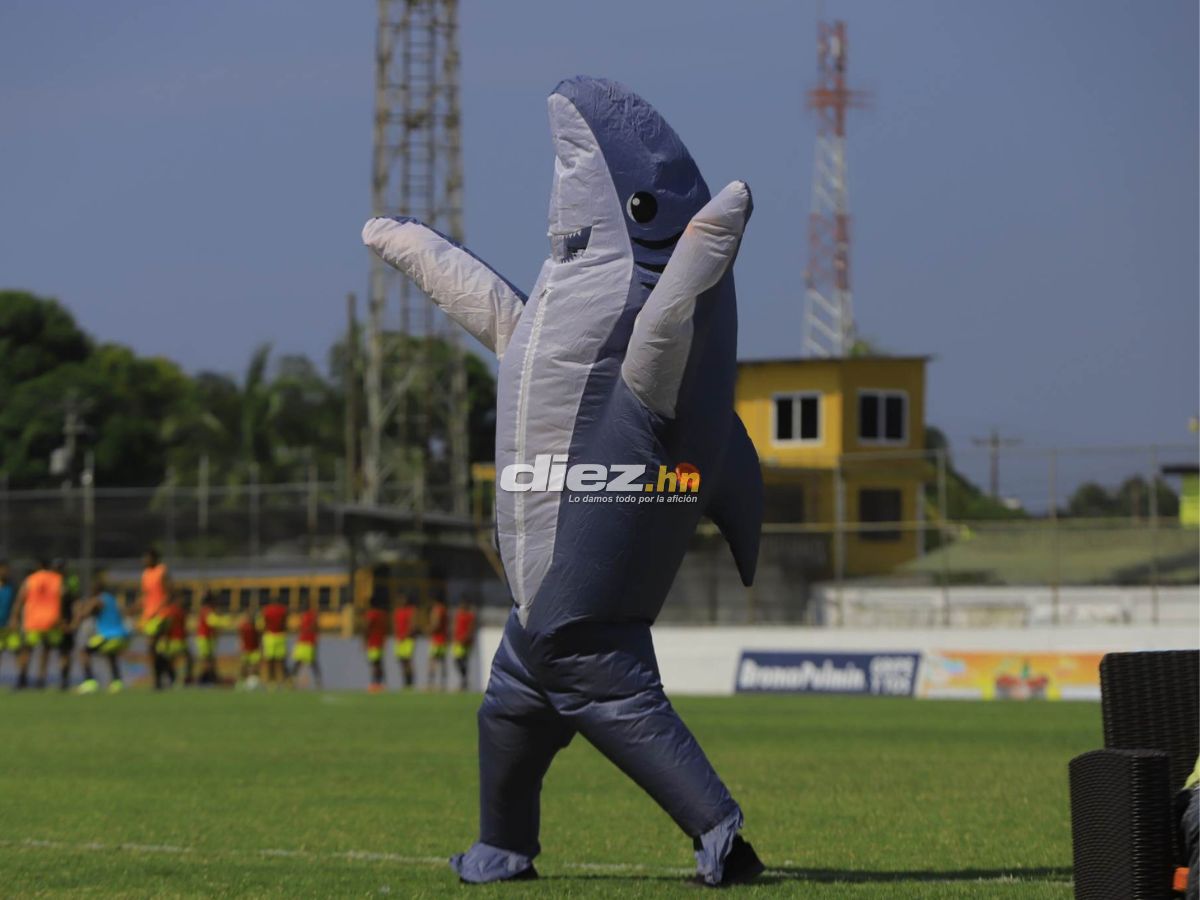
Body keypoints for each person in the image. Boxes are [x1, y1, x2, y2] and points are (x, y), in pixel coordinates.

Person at [71, 570, 130, 694]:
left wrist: (76, 617)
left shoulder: (97, 600)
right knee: (110, 654)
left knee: (83, 652)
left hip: (108, 636)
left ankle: (90, 681)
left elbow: (84, 614)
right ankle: (117, 682)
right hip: (123, 635)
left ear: (95, 590)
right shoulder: (112, 599)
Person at [13, 557, 64, 690]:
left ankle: (22, 678)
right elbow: (62, 598)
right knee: (45, 651)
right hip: (52, 620)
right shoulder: (57, 579)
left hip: (33, 620)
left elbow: (20, 598)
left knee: (27, 650)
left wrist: (15, 617)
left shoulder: (31, 579)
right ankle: (41, 679)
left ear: (37, 566)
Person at [132, 549, 171, 689]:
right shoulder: (145, 574)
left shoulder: (162, 571)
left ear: (154, 558)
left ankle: (157, 679)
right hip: (148, 615)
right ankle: (166, 671)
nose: (145, 561)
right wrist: (134, 608)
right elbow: (145, 595)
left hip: (160, 615)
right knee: (154, 649)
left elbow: (168, 593)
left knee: (151, 645)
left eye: (147, 558)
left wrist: (159, 609)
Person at [53, 559, 80, 691]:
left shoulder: (71, 582)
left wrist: (74, 621)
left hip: (66, 621)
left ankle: (64, 679)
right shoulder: (52, 582)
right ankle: (39, 680)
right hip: (53, 622)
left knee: (65, 651)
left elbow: (75, 602)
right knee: (49, 650)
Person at [158, 594, 193, 688]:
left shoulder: (170, 611)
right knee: (181, 660)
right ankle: (180, 680)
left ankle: (174, 680)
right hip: (179, 639)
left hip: (173, 640)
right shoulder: (180, 611)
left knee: (173, 661)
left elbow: (166, 625)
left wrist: (164, 637)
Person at [364, 567, 389, 693]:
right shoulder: (382, 614)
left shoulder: (371, 614)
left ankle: (374, 683)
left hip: (373, 642)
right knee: (379, 662)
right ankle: (382, 682)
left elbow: (367, 627)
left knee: (374, 663)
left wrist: (364, 639)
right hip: (381, 641)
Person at [194, 592, 228, 685]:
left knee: (209, 659)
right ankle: (205, 678)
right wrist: (225, 621)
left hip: (207, 637)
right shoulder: (207, 610)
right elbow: (212, 622)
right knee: (206, 659)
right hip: (204, 638)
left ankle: (210, 677)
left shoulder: (206, 610)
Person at [260, 596, 289, 689]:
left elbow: (263, 624)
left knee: (269, 661)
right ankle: (281, 681)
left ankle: (269, 681)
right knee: (280, 661)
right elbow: (285, 623)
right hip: (280, 636)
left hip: (269, 637)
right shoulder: (283, 610)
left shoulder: (266, 610)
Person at [291, 603, 321, 689]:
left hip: (307, 642)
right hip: (305, 642)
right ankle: (292, 679)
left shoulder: (310, 616)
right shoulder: (307, 616)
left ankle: (317, 680)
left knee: (309, 662)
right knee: (302, 662)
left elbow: (313, 627)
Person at [451, 598, 478, 692]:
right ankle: (464, 681)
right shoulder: (458, 613)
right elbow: (456, 626)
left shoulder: (470, 615)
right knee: (458, 661)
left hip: (465, 642)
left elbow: (471, 628)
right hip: (458, 641)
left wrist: (466, 638)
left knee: (463, 660)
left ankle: (464, 682)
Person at [392, 591, 417, 690]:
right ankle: (405, 682)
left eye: (403, 598)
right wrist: (397, 636)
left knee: (407, 660)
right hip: (399, 639)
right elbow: (395, 625)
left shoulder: (411, 610)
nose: (401, 601)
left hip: (407, 639)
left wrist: (406, 635)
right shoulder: (397, 611)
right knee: (402, 661)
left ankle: (410, 682)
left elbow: (413, 624)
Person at [426, 593, 449, 691]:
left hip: (437, 639)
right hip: (443, 638)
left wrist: (429, 629)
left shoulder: (437, 609)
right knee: (442, 661)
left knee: (432, 661)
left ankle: (431, 683)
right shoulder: (444, 609)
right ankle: (442, 684)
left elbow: (437, 623)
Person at [0, 561, 18, 679]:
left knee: (19, 650)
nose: (5, 572)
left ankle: (22, 678)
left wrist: (14, 618)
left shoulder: (12, 586)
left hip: (9, 625)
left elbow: (17, 604)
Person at [237, 611, 261, 690]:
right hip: (246, 649)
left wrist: (261, 648)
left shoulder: (257, 627)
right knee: (243, 667)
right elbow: (240, 636)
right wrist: (240, 645)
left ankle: (254, 682)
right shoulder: (243, 626)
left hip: (254, 650)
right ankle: (241, 682)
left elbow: (259, 638)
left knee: (255, 667)